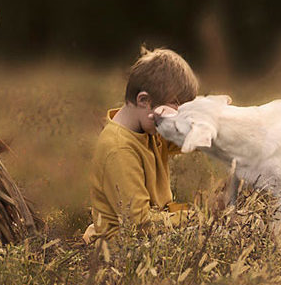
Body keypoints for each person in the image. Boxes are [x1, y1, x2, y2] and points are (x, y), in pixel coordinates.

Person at [83, 47, 199, 243]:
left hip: (154, 226)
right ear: (144, 100)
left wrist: (215, 120)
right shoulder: (119, 149)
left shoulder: (150, 126)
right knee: (208, 235)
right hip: (127, 244)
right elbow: (139, 224)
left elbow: (187, 140)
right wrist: (190, 217)